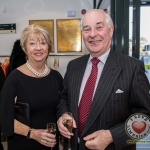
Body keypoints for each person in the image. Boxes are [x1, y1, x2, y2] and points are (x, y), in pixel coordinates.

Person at [57, 9, 150, 150]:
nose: (93, 34)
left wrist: (111, 136)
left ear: (111, 31)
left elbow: (145, 118)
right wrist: (63, 115)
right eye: (87, 29)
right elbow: (64, 98)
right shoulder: (74, 66)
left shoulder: (132, 67)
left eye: (99, 27)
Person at [0, 24, 63, 150]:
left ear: (49, 46)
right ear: (25, 48)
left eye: (43, 43)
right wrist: (32, 133)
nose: (38, 48)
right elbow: (4, 118)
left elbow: (61, 108)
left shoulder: (56, 77)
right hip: (24, 144)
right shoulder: (14, 79)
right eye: (32, 43)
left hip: (51, 144)